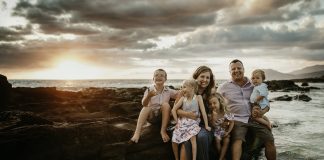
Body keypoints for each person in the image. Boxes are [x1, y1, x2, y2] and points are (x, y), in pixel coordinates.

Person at [217, 59, 276, 160]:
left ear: (243, 69)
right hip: (236, 120)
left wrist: (263, 113)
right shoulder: (223, 87)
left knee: (269, 139)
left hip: (254, 118)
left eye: (239, 68)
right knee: (238, 140)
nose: (236, 70)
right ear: (230, 72)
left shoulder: (253, 85)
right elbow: (216, 104)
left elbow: (265, 101)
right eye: (233, 69)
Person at [176, 66, 216, 160]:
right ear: (196, 77)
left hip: (204, 125)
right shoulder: (186, 91)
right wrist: (188, 115)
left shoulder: (211, 93)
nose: (204, 80)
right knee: (186, 141)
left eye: (207, 77)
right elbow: (175, 110)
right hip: (188, 123)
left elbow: (218, 108)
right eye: (202, 76)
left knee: (201, 137)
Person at [130, 69, 178, 143]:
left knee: (165, 104)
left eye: (162, 75)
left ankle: (163, 131)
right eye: (156, 75)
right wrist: (149, 96)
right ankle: (137, 133)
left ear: (165, 79)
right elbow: (144, 104)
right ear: (153, 79)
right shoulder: (149, 90)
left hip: (163, 117)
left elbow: (179, 95)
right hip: (152, 117)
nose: (159, 77)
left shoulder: (168, 90)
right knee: (146, 107)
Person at [171, 79, 211, 160]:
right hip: (183, 122)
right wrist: (177, 122)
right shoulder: (183, 99)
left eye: (184, 87)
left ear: (192, 88)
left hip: (193, 122)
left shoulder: (198, 97)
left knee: (193, 139)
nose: (182, 89)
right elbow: (173, 110)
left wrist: (206, 125)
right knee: (174, 140)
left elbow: (203, 112)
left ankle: (194, 158)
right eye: (182, 87)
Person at [209, 93, 234, 160]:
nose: (212, 105)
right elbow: (213, 125)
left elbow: (231, 122)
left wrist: (228, 132)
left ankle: (221, 157)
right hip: (216, 131)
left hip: (225, 130)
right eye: (210, 104)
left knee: (227, 140)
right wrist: (213, 117)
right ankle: (222, 157)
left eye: (214, 103)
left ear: (220, 102)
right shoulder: (212, 113)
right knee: (217, 140)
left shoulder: (225, 112)